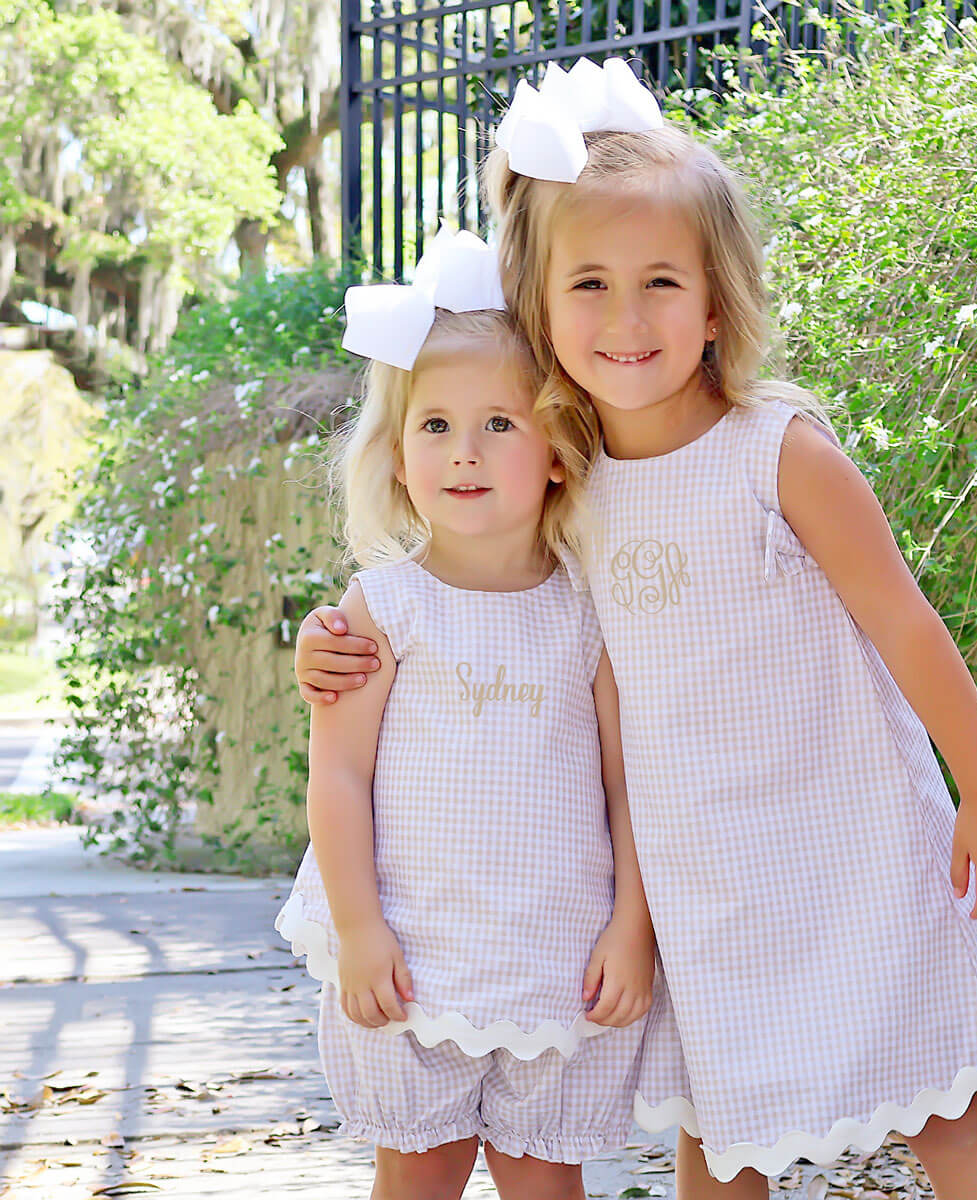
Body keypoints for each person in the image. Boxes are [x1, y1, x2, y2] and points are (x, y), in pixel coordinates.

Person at [292, 61, 977, 1200]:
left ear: (716, 302)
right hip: (697, 878)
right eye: (588, 284)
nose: (626, 319)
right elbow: (470, 588)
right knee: (716, 1125)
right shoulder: (567, 475)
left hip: (851, 844)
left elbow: (904, 620)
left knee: (945, 1104)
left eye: (661, 283)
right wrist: (331, 642)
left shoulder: (777, 454)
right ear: (539, 304)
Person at [276, 228, 678, 1200]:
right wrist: (360, 930)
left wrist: (632, 926)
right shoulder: (383, 608)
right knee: (418, 1174)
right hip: (414, 956)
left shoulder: (588, 611)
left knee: (546, 1182)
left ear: (556, 453)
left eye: (499, 423)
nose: (464, 451)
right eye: (435, 426)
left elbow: (629, 785)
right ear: (397, 453)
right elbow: (340, 777)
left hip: (557, 959)